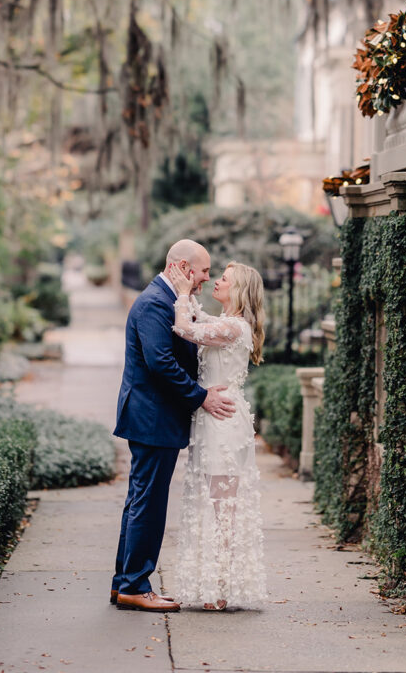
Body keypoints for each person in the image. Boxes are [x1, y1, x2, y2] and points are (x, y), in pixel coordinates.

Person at [112, 239, 236, 613]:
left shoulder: (168, 300)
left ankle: (125, 583)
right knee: (148, 504)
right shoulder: (154, 303)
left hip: (154, 417)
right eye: (202, 271)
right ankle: (135, 585)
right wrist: (202, 397)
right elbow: (160, 364)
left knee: (140, 501)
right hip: (152, 418)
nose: (205, 279)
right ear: (182, 267)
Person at [168, 260, 266, 611]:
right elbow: (198, 317)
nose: (217, 282)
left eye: (224, 279)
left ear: (238, 290)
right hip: (211, 419)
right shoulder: (226, 323)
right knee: (212, 500)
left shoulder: (235, 328)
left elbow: (184, 328)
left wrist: (181, 293)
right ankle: (212, 583)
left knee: (223, 504)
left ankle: (222, 588)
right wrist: (187, 288)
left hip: (224, 423)